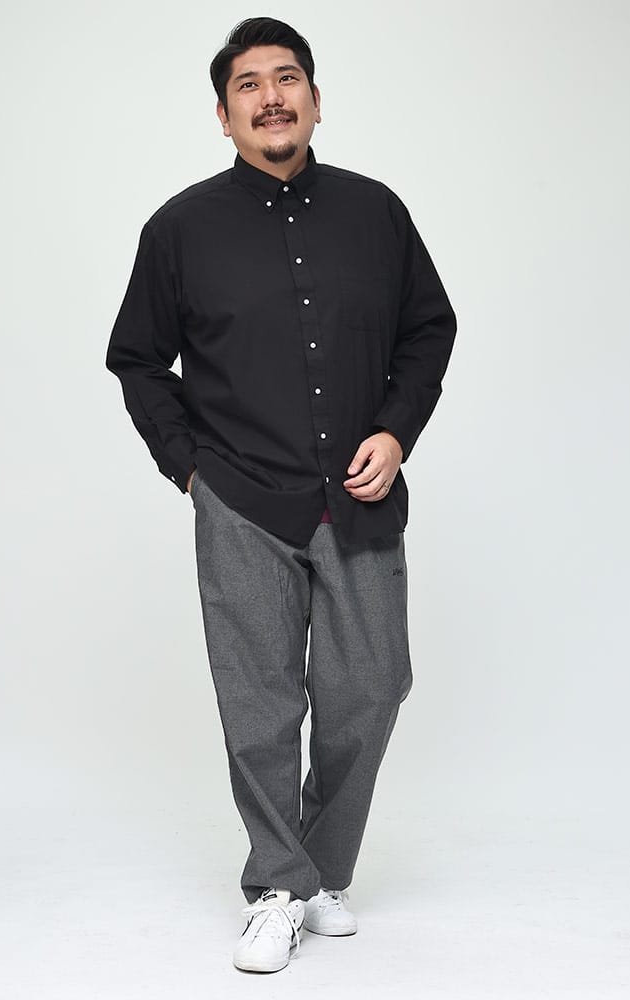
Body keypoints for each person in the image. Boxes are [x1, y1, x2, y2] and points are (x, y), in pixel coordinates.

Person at [105, 15, 457, 975]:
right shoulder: (179, 230)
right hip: (243, 499)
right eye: (249, 85)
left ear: (315, 98)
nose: (271, 97)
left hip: (359, 494)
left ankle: (321, 871)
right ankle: (276, 887)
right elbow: (137, 359)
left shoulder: (377, 213)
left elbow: (429, 329)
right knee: (258, 704)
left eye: (287, 78)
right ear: (223, 116)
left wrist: (396, 430)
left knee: (373, 685)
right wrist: (189, 467)